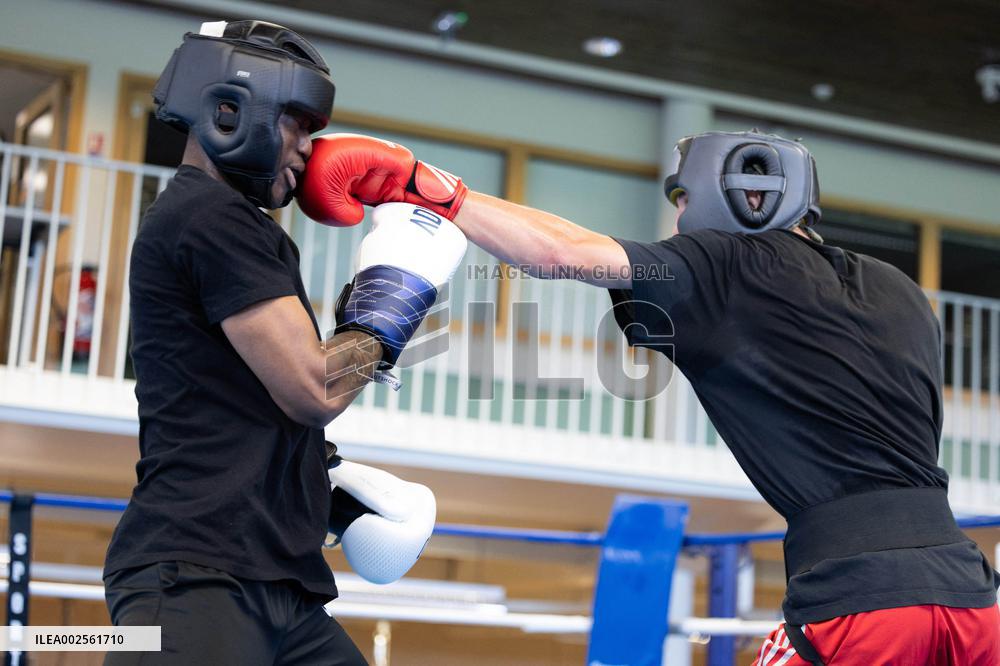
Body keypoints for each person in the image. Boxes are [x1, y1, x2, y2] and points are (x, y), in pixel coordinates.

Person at [296, 130, 1000, 664]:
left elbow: (563, 252)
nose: (678, 221)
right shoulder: (900, 290)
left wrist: (431, 189)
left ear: (740, 195)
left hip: (857, 601)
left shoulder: (728, 263)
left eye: (683, 200)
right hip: (973, 596)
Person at [103, 21, 465, 665]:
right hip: (195, 580)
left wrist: (320, 480)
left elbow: (234, 403)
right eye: (297, 122)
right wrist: (394, 295)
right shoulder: (209, 215)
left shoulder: (233, 225)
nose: (308, 147)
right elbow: (313, 388)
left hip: (271, 585)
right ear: (228, 108)